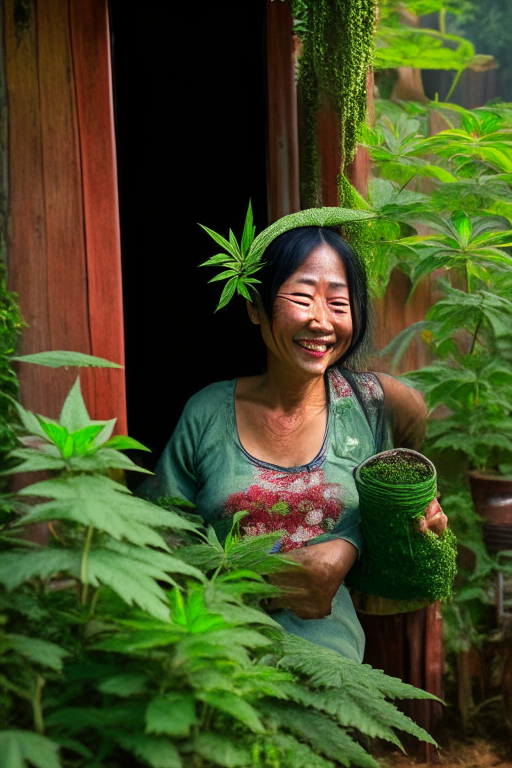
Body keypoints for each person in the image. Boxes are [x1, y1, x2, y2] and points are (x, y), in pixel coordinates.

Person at [143, 220, 447, 663]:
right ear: (255, 306)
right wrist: (268, 582)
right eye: (302, 298)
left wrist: (417, 535)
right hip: (212, 658)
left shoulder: (372, 409)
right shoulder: (206, 413)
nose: (321, 321)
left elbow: (402, 557)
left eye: (339, 303)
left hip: (329, 670)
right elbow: (157, 542)